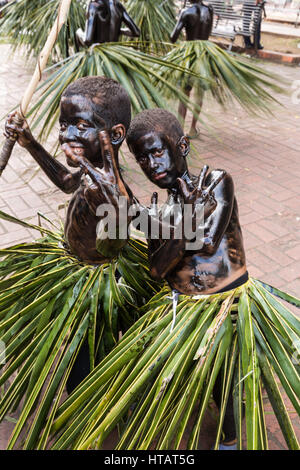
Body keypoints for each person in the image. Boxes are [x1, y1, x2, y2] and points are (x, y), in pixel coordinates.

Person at [126, 108, 248, 449]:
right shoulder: (162, 210)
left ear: (181, 146)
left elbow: (207, 240)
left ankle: (230, 437)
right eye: (141, 159)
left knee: (223, 376)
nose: (151, 165)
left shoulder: (217, 182)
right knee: (161, 357)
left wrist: (186, 219)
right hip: (185, 305)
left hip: (224, 303)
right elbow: (157, 268)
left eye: (156, 152)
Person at [4, 76, 134, 265]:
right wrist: (30, 143)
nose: (67, 135)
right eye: (64, 125)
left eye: (82, 126)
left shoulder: (114, 195)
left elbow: (113, 245)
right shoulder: (89, 171)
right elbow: (67, 182)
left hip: (95, 281)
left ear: (115, 134)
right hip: (73, 261)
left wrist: (118, 213)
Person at [170, 0, 214, 139]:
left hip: (190, 57)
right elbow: (208, 32)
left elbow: (173, 37)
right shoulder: (210, 10)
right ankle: (193, 128)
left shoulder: (186, 12)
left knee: (184, 94)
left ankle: (180, 129)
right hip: (204, 55)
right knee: (199, 94)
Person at [76, 0, 140, 48]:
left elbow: (87, 40)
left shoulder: (94, 5)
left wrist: (79, 33)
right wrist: (119, 31)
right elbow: (136, 32)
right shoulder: (118, 5)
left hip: (99, 58)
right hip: (115, 55)